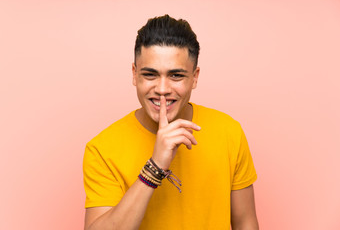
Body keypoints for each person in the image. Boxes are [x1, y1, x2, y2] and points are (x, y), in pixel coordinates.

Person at [83, 14, 259, 230]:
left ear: (194, 77)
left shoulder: (229, 132)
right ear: (134, 74)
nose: (163, 89)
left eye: (176, 75)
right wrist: (155, 167)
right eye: (150, 74)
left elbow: (245, 223)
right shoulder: (102, 149)